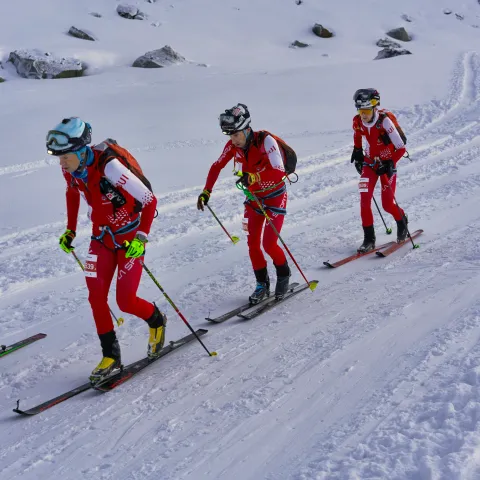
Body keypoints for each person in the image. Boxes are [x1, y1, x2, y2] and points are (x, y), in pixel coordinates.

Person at [46, 117, 166, 383]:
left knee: (125, 301)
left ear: (79, 151)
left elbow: (149, 200)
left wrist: (141, 238)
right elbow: (71, 192)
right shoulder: (70, 169)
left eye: (64, 156)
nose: (61, 163)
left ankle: (157, 321)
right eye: (59, 157)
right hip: (101, 238)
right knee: (95, 296)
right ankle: (111, 356)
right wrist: (70, 230)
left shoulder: (110, 167)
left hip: (129, 240)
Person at [197, 104, 290, 304]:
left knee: (269, 244)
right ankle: (261, 284)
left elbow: (279, 171)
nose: (233, 140)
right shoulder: (232, 146)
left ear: (247, 129)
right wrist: (207, 191)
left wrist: (255, 177)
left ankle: (283, 276)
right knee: (253, 245)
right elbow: (216, 166)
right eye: (230, 136)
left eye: (236, 135)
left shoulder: (266, 141)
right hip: (253, 200)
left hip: (275, 196)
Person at [350, 89, 408, 252]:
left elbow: (401, 148)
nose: (363, 115)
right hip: (369, 163)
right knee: (364, 199)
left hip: (386, 164)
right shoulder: (357, 121)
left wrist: (390, 163)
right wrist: (358, 152)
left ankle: (402, 221)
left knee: (387, 204)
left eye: (366, 111)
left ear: (374, 108)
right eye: (361, 111)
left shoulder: (384, 122)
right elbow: (357, 135)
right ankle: (369, 239)